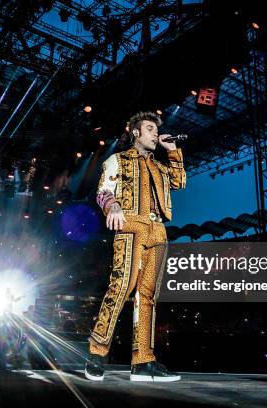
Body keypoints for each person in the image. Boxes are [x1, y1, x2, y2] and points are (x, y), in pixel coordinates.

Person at [85, 111, 186, 382]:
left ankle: (143, 360)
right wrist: (113, 206)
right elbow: (103, 191)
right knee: (121, 287)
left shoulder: (161, 167)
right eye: (150, 129)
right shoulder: (116, 160)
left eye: (156, 129)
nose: (155, 133)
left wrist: (173, 151)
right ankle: (96, 352)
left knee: (148, 295)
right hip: (130, 225)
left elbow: (179, 182)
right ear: (136, 133)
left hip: (157, 231)